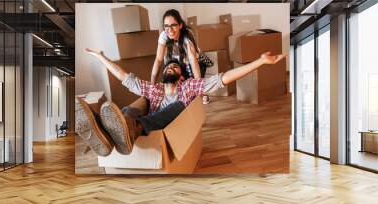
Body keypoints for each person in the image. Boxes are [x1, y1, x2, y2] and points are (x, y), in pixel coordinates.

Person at [80, 48, 285, 155]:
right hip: (146, 127)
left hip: (169, 129)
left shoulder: (189, 87)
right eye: (168, 67)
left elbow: (223, 78)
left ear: (182, 77)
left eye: (175, 68)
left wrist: (260, 62)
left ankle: (129, 129)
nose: (170, 68)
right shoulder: (155, 88)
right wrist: (99, 57)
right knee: (127, 110)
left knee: (177, 106)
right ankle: (105, 132)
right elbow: (124, 77)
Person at [151, 9, 212, 104]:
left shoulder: (187, 35)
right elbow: (158, 60)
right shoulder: (163, 35)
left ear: (180, 25)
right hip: (175, 60)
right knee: (173, 79)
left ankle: (202, 93)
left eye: (173, 25)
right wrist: (152, 85)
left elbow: (193, 61)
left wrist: (198, 88)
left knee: (191, 86)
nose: (170, 30)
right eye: (166, 26)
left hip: (191, 61)